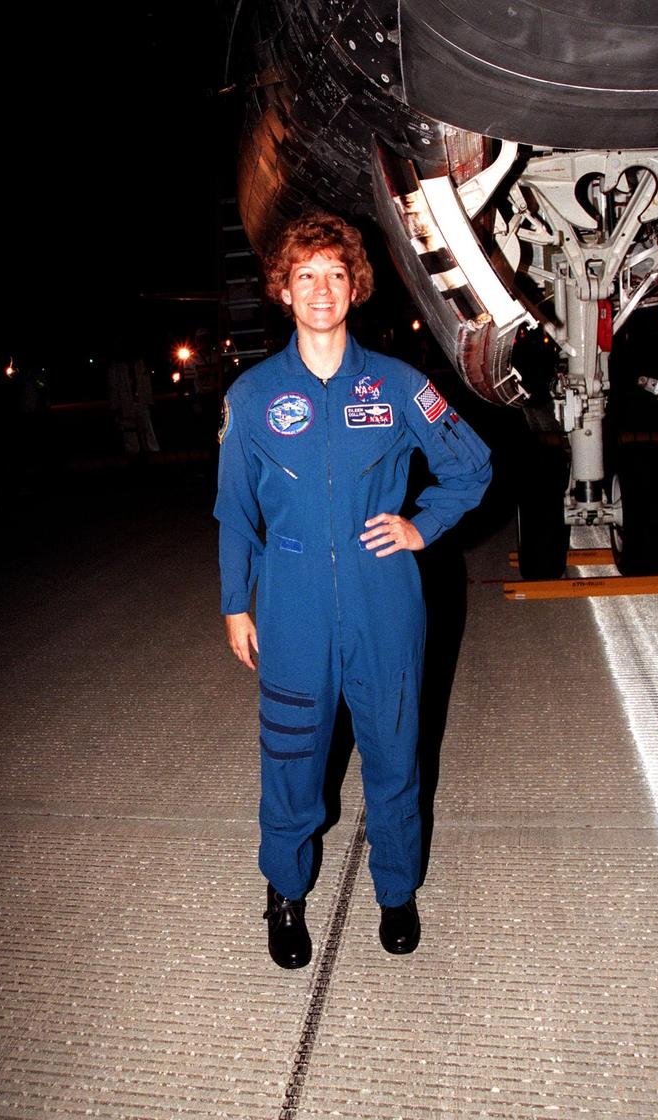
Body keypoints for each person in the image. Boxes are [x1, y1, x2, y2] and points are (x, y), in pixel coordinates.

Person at [214, 211, 491, 969]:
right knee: (292, 761)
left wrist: (420, 526)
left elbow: (472, 467)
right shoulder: (253, 395)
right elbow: (234, 512)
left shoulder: (398, 386)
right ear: (283, 290)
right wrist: (236, 602)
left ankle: (397, 892)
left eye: (334, 273)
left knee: (396, 756)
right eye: (305, 275)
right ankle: (285, 892)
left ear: (354, 286)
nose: (321, 288)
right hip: (294, 605)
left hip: (384, 602)